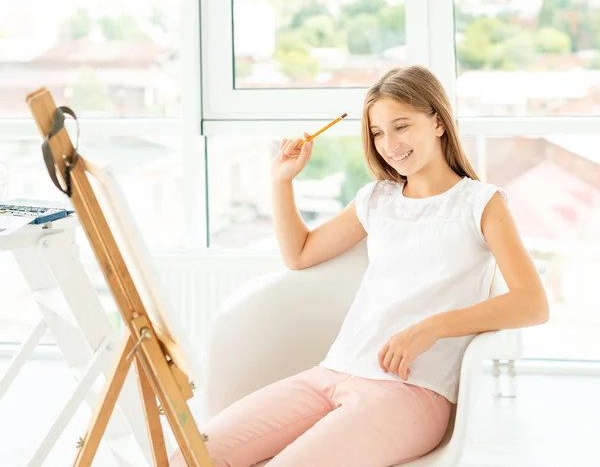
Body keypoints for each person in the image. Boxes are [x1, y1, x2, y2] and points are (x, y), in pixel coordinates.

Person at [170, 65, 549, 467]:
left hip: (412, 392)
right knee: (189, 455)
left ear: (438, 122)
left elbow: (532, 304)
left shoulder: (480, 203)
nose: (389, 144)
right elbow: (299, 253)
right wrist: (282, 182)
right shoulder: (377, 199)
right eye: (378, 133)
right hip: (332, 373)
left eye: (401, 126)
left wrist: (432, 327)